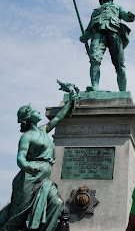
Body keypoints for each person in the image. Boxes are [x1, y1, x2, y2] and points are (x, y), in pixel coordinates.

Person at [0, 94, 75, 230]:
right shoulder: (27, 137)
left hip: (44, 179)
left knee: (57, 203)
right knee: (18, 218)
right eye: (35, 111)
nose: (39, 112)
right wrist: (26, 167)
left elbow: (58, 118)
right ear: (29, 117)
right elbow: (20, 158)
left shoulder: (43, 131)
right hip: (29, 180)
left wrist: (70, 103)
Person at [80, 0, 135, 92]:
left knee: (120, 66)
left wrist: (130, 16)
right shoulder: (96, 11)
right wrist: (85, 37)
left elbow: (127, 17)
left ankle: (123, 92)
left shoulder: (117, 7)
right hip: (98, 34)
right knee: (94, 60)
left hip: (115, 34)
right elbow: (89, 28)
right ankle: (95, 86)